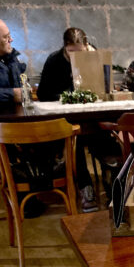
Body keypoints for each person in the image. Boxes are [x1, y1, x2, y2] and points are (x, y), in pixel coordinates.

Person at [37, 27, 101, 212]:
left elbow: (104, 86)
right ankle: (85, 187)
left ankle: (115, 181)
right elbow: (43, 94)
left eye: (79, 52)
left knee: (105, 137)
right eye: (71, 52)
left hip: (93, 116)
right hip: (67, 119)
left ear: (86, 45)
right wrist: (67, 93)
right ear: (65, 48)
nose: (75, 56)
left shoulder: (94, 55)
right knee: (75, 138)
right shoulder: (54, 60)